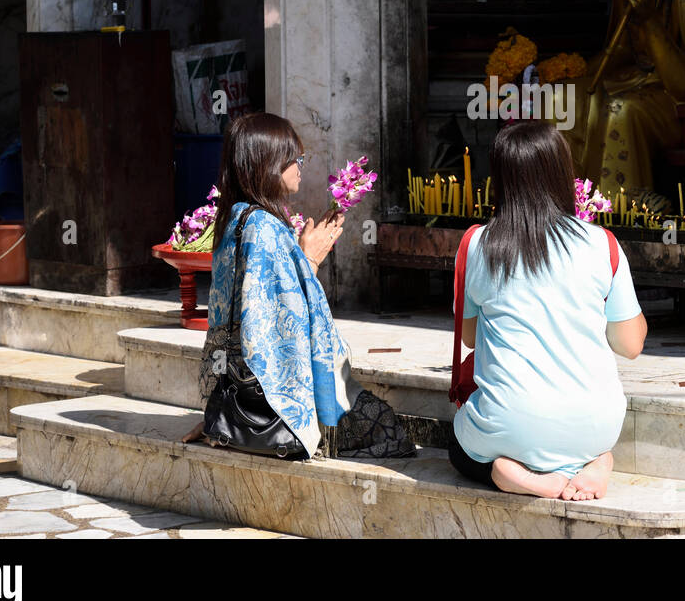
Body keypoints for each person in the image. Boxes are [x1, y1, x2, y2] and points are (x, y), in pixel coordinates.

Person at [184, 112, 412, 460]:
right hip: (274, 393)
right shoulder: (263, 226)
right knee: (387, 428)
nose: (301, 167)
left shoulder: (233, 218)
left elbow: (239, 316)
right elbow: (278, 327)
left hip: (239, 390)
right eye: (295, 159)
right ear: (270, 163)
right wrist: (310, 261)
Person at [449, 121, 648, 500]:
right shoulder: (601, 244)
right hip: (596, 427)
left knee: (460, 449)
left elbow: (470, 338)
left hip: (508, 428)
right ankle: (597, 461)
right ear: (562, 172)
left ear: (500, 179)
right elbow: (630, 345)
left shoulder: (477, 244)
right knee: (588, 443)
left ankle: (513, 473)